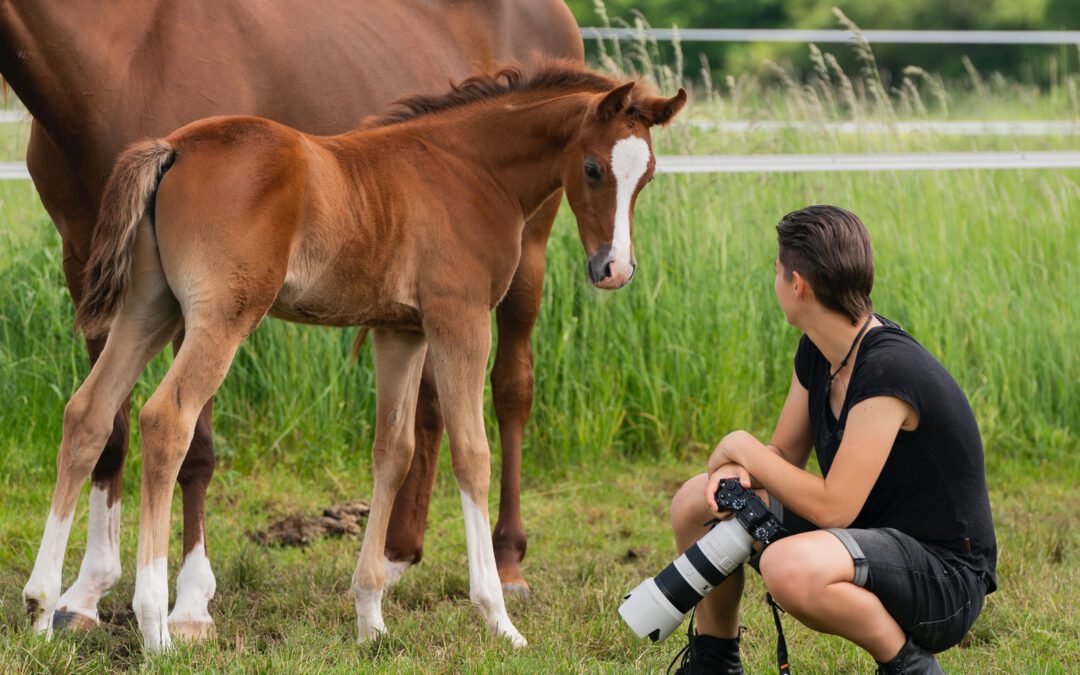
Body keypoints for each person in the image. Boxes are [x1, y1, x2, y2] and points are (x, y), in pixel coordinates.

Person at [668, 205, 997, 674]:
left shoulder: (887, 371)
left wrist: (741, 446)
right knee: (695, 502)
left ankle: (909, 666)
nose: (775, 281)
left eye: (777, 272)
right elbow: (783, 455)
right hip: (869, 541)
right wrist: (740, 471)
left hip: (944, 577)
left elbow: (833, 507)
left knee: (788, 567)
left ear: (798, 285)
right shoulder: (821, 350)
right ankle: (714, 663)